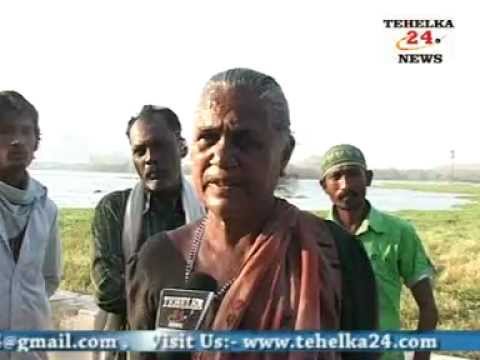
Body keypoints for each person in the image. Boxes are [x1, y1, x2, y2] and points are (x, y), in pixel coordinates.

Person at [127, 68, 378, 360]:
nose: (220, 157)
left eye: (244, 141)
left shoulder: (334, 254)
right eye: (208, 138)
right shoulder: (159, 257)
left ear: (284, 153)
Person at [91, 105, 205, 359]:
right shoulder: (114, 209)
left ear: (182, 147)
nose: (150, 158)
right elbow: (108, 292)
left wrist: (143, 291)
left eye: (160, 146)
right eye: (139, 151)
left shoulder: (209, 210)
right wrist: (183, 303)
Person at [319, 144, 438, 360]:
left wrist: (421, 357)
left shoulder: (399, 233)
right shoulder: (315, 235)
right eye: (336, 176)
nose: (345, 184)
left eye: (353, 174)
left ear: (369, 178)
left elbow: (428, 307)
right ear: (323, 186)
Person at [0, 91, 62, 360]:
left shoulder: (46, 208)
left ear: (36, 142)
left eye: (26, 132)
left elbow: (49, 278)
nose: (17, 141)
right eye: (4, 131)